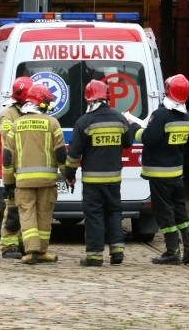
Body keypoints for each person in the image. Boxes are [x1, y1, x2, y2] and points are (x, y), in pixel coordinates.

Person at [124, 74, 189, 265]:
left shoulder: (161, 114)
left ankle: (172, 250)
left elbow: (148, 138)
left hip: (159, 172)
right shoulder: (186, 115)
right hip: (176, 172)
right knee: (180, 210)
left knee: (164, 212)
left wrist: (133, 128)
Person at [65, 79, 133, 267]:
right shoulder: (119, 119)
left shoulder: (84, 122)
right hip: (113, 179)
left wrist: (69, 175)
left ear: (88, 99)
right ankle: (117, 252)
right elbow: (128, 143)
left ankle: (94, 256)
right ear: (107, 97)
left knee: (94, 216)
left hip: (92, 181)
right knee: (113, 212)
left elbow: (73, 154)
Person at [2, 83, 67, 265]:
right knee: (44, 214)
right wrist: (68, 175)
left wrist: (8, 182)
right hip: (47, 181)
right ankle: (43, 251)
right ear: (42, 103)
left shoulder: (16, 125)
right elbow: (60, 153)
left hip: (23, 182)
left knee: (27, 214)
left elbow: (7, 157)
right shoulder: (53, 123)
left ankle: (31, 252)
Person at [0, 75, 33, 259]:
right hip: (14, 167)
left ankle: (21, 243)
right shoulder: (8, 113)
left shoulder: (30, 111)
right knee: (12, 210)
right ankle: (8, 246)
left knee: (26, 210)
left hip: (28, 168)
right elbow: (8, 140)